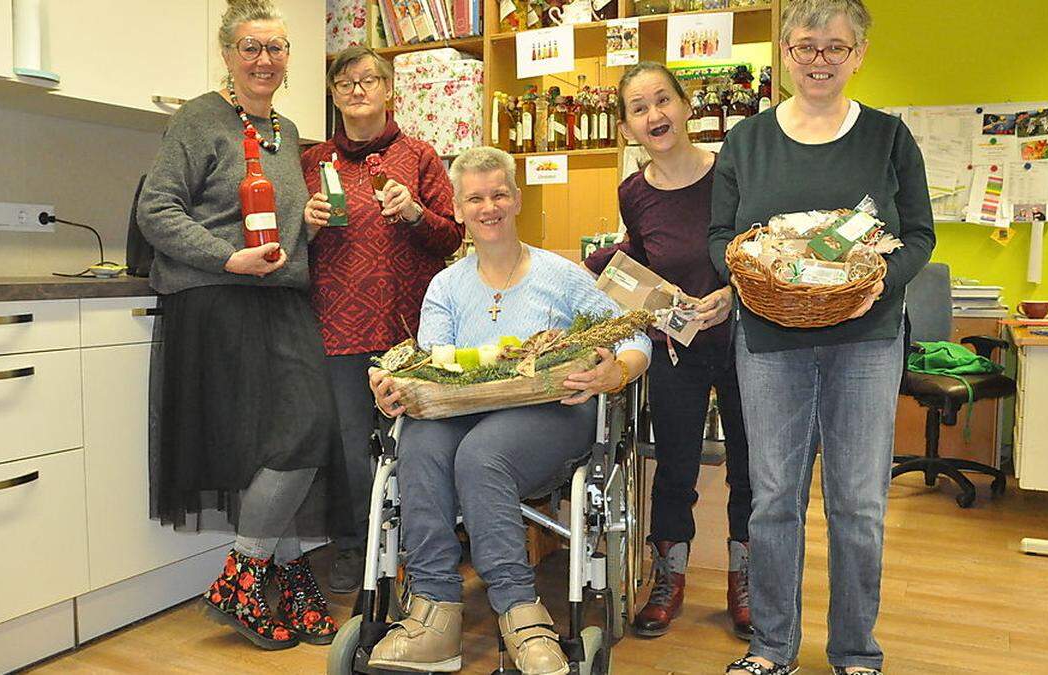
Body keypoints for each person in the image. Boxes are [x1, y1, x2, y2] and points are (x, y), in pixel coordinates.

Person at [707, 1, 935, 673]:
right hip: (769, 342)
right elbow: (720, 237)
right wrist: (756, 268)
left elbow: (919, 235)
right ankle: (772, 647)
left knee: (858, 503)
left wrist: (874, 281)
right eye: (806, 47)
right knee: (774, 496)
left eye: (836, 48)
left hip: (866, 339)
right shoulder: (746, 142)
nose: (819, 61)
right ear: (784, 51)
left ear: (859, 54)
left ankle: (856, 651)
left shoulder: (890, 139)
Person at [365, 146, 651, 675]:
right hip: (464, 412)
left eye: (498, 194)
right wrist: (391, 383)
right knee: (420, 443)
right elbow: (430, 366)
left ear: (516, 198)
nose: (488, 206)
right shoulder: (446, 286)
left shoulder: (559, 275)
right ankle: (434, 613)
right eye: (475, 197)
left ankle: (521, 613)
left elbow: (635, 335)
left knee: (481, 455)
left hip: (555, 410)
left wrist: (616, 372)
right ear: (456, 208)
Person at [137, 0, 339, 650]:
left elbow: (271, 225)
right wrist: (228, 255)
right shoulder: (200, 117)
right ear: (227, 54)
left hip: (275, 297)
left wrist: (301, 227)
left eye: (276, 48)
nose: (264, 60)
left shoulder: (285, 125)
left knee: (301, 431)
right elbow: (156, 209)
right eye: (251, 47)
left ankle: (256, 573)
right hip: (221, 298)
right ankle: (266, 576)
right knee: (279, 441)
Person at [584, 61, 752, 641]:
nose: (654, 115)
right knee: (675, 466)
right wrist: (651, 295)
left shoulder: (732, 172)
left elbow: (760, 253)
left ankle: (745, 578)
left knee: (750, 468)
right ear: (627, 126)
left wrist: (731, 294)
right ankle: (670, 577)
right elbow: (641, 268)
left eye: (663, 100)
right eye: (638, 108)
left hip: (743, 343)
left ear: (685, 106)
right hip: (677, 351)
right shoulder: (633, 192)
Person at [301, 45, 462, 595]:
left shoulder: (420, 156)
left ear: (389, 89)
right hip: (337, 328)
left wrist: (417, 213)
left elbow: (451, 239)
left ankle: (422, 550)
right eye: (344, 82)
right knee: (350, 447)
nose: (357, 90)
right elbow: (283, 247)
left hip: (408, 330)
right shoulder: (313, 162)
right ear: (333, 94)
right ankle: (358, 548)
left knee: (414, 444)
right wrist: (308, 225)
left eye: (368, 79)